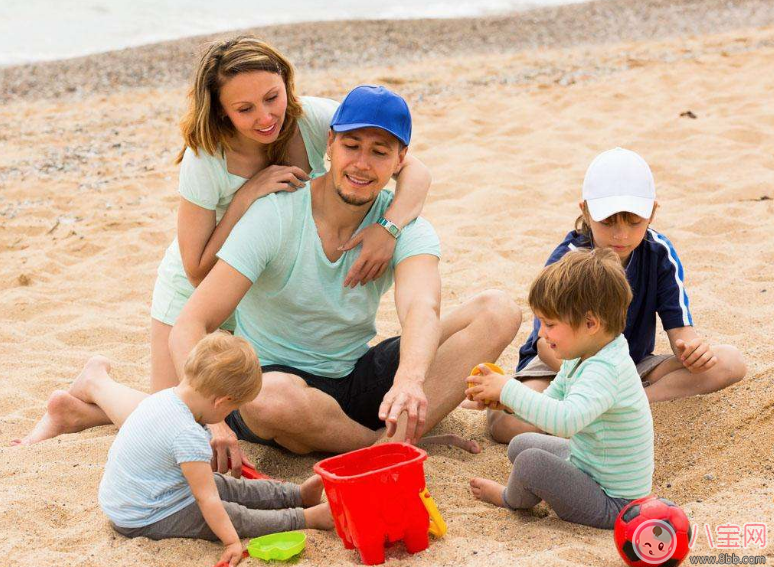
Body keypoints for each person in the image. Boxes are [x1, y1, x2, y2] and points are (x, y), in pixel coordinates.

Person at [14, 86, 521, 472]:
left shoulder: (401, 225)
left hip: (352, 372)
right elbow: (196, 317)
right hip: (270, 384)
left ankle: (387, 436)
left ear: (400, 162)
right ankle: (386, 448)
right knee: (251, 400)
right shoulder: (277, 213)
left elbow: (421, 308)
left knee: (499, 309)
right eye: (352, 146)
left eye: (380, 152)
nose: (362, 164)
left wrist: (410, 381)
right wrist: (215, 419)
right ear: (330, 145)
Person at [12, 36, 432, 448]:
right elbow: (196, 268)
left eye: (272, 97)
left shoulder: (316, 119)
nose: (266, 117)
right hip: (201, 277)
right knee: (175, 415)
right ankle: (97, 385)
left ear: (287, 83)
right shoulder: (205, 157)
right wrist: (247, 197)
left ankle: (82, 411)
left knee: (219, 406)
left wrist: (388, 227)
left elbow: (415, 171)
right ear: (222, 111)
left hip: (261, 276)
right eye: (244, 109)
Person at [487, 147, 746, 443]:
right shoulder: (568, 261)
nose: (621, 234)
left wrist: (692, 349)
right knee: (507, 423)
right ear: (585, 211)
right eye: (608, 222)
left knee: (730, 362)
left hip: (629, 366)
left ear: (651, 212)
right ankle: (609, 406)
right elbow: (547, 344)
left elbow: (681, 331)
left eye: (633, 222)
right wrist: (593, 384)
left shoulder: (659, 253)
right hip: (562, 367)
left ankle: (629, 404)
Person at [95, 332, 333, 567]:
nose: (227, 416)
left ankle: (296, 495)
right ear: (221, 402)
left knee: (227, 486)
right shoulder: (187, 433)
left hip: (143, 495)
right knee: (234, 515)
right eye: (232, 409)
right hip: (146, 515)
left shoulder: (165, 398)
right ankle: (305, 517)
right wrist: (231, 542)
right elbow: (206, 499)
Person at [467, 248, 653, 529]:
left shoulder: (607, 369)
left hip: (615, 503)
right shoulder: (582, 353)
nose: (542, 333)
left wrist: (508, 389)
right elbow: (548, 404)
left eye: (550, 324)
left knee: (530, 463)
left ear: (591, 323)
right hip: (587, 464)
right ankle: (536, 489)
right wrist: (506, 403)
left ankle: (510, 499)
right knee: (520, 444)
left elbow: (564, 422)